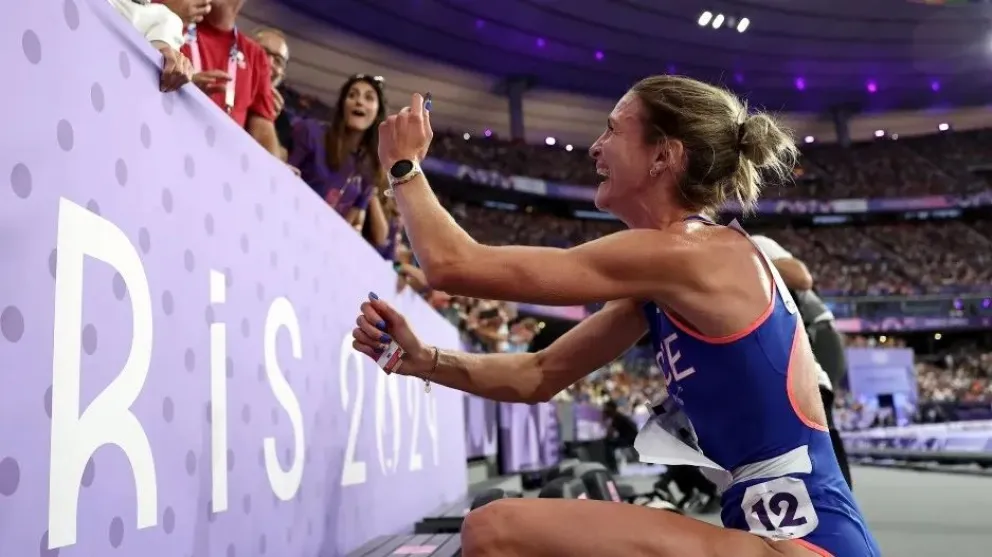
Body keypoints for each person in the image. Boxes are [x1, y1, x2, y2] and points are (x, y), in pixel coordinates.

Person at [352, 77, 880, 556]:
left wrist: (403, 167)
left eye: (612, 130)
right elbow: (538, 375)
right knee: (500, 527)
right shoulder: (667, 274)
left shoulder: (689, 253)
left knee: (495, 530)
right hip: (777, 534)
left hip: (806, 545)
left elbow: (451, 265)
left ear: (663, 156)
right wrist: (424, 360)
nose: (594, 148)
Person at [749, 234, 855, 489]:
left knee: (816, 410)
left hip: (818, 334)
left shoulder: (752, 243)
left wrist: (747, 258)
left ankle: (839, 489)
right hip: (783, 338)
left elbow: (802, 278)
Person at [288, 74, 389, 236]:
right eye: (352, 95)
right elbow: (282, 175)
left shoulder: (370, 168)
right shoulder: (310, 132)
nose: (359, 102)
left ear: (378, 113)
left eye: (369, 98)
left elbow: (347, 228)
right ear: (343, 105)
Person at [179, 0, 281, 157]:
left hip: (218, 164)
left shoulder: (255, 56)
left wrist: (277, 172)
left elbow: (263, 133)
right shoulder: (171, 13)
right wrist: (182, 89)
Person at [601, 400, 638, 474]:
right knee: (608, 442)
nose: (604, 410)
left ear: (611, 408)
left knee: (608, 444)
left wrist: (603, 419)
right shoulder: (618, 416)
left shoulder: (617, 417)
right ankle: (612, 467)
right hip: (631, 437)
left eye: (606, 408)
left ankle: (613, 468)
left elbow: (609, 433)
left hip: (630, 439)